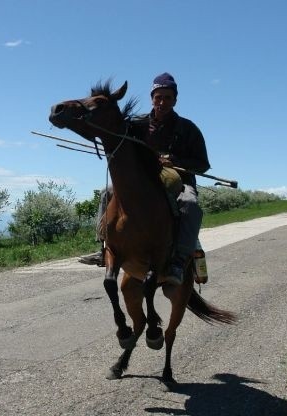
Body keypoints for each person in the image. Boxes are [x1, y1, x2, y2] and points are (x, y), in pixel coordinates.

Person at [78, 72, 210, 286]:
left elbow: (203, 164)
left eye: (167, 97)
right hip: (143, 179)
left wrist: (175, 160)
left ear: (175, 100)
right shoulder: (137, 125)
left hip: (180, 181)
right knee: (106, 193)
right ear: (152, 98)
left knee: (191, 204)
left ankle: (179, 260)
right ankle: (104, 247)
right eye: (158, 97)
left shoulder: (188, 129)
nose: (162, 102)